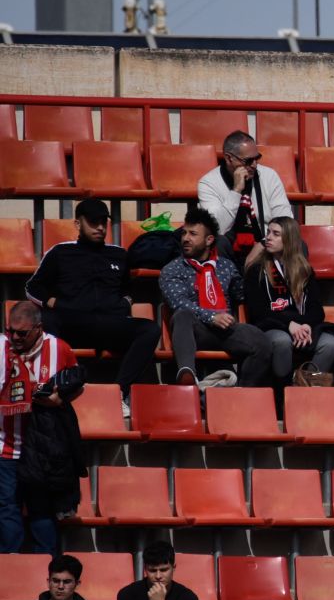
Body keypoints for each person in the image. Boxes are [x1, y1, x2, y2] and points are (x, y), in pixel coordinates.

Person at [25, 197, 159, 417]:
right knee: (48, 319)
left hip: (108, 325)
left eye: (103, 222)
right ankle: (55, 389)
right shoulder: (60, 252)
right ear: (78, 224)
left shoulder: (118, 254)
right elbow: (33, 287)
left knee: (150, 329)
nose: (99, 227)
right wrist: (55, 302)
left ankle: (118, 393)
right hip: (72, 325)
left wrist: (124, 304)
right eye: (93, 222)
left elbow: (127, 289)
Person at [158, 207, 271, 388]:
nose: (186, 238)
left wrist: (252, 264)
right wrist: (211, 317)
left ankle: (242, 392)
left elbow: (242, 294)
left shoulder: (225, 266)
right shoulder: (172, 269)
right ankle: (187, 375)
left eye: (193, 234)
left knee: (260, 340)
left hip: (225, 329)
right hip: (195, 330)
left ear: (209, 240)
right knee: (182, 315)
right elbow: (178, 302)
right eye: (184, 233)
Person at [1, 300, 79, 554]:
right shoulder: (1, 348)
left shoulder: (59, 348)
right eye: (10, 331)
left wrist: (57, 399)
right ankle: (9, 565)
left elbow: (76, 383)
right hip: (6, 445)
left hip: (42, 448)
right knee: (7, 506)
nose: (15, 337)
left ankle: (44, 565)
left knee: (41, 509)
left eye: (21, 333)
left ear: (38, 328)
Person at [241, 217, 334, 388]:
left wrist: (306, 326)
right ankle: (283, 390)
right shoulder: (256, 270)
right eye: (268, 232)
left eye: (276, 234)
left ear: (289, 239)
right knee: (282, 341)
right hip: (271, 326)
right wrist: (289, 324)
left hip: (301, 327)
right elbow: (258, 311)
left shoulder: (305, 270)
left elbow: (316, 309)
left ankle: (303, 386)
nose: (268, 238)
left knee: (330, 344)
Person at [195, 131, 294, 261]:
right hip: (231, 248)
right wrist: (236, 191)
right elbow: (216, 228)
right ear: (229, 158)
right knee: (217, 243)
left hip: (266, 244)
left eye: (257, 158)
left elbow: (285, 221)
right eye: (248, 161)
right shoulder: (208, 183)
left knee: (298, 244)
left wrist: (264, 243)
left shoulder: (269, 176)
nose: (254, 165)